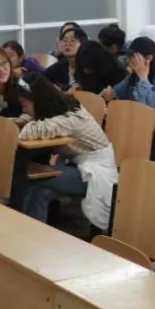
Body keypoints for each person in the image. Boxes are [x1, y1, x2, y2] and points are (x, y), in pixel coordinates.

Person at [17, 75, 116, 226]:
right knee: (40, 191)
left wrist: (21, 122)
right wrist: (21, 119)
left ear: (39, 101)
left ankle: (22, 226)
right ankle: (29, 231)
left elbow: (32, 131)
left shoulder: (69, 118)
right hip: (78, 166)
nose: (24, 110)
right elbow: (35, 120)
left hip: (95, 174)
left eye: (25, 105)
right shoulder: (60, 106)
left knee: (34, 178)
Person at [102, 36, 155, 152]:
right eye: (129, 56)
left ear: (148, 58)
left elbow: (153, 108)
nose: (129, 60)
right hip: (141, 127)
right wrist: (110, 94)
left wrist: (143, 78)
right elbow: (117, 91)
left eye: (134, 56)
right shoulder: (133, 77)